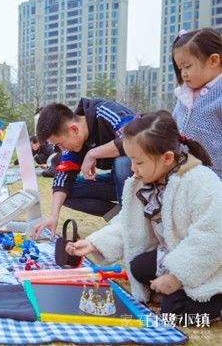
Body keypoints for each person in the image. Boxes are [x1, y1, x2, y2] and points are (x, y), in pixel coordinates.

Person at [66, 111, 221, 321]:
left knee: (173, 312)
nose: (132, 169)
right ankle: (175, 285)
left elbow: (211, 238)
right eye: (131, 160)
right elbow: (129, 224)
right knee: (138, 267)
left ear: (167, 158)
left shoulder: (201, 182)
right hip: (176, 252)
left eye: (138, 162)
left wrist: (177, 277)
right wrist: (94, 243)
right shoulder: (147, 180)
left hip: (211, 262)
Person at [32, 99, 135, 239]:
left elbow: (134, 137)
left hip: (145, 180)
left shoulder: (105, 111)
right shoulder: (74, 141)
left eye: (60, 144)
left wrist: (93, 153)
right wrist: (53, 215)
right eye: (57, 146)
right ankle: (121, 218)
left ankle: (132, 225)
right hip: (119, 184)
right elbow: (62, 177)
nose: (62, 149)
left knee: (122, 161)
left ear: (74, 129)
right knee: (66, 193)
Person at [171, 27, 222, 179]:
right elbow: (173, 127)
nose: (183, 74)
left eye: (188, 66)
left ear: (213, 60)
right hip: (183, 173)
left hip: (214, 177)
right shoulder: (184, 94)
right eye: (180, 68)